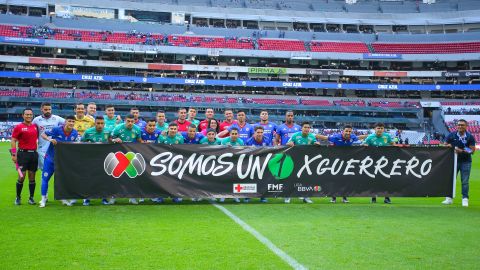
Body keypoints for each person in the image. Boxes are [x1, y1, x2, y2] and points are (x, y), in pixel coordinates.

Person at [316, 125, 368, 203]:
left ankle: (345, 197)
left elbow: (359, 137)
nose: (348, 133)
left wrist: (369, 136)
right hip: (336, 161)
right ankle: (333, 197)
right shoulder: (336, 137)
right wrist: (314, 135)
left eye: (350, 131)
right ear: (343, 131)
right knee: (335, 179)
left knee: (346, 179)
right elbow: (325, 138)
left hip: (347, 162)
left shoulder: (353, 137)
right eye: (346, 131)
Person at [39, 116, 78, 208]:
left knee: (63, 180)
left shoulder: (75, 133)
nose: (71, 123)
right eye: (69, 121)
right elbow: (43, 134)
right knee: (45, 178)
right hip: (50, 159)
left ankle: (63, 198)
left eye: (73, 121)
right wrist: (50, 139)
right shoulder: (57, 129)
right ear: (65, 122)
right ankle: (43, 199)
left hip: (62, 161)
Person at [110, 114, 144, 205]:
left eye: (132, 121)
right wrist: (115, 140)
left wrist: (145, 144)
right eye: (128, 121)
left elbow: (139, 140)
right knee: (116, 177)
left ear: (134, 121)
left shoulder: (137, 129)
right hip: (118, 155)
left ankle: (132, 197)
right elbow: (110, 138)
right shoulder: (118, 128)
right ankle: (113, 196)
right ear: (125, 120)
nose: (130, 123)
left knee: (131, 177)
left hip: (130, 155)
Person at [442, 119, 476, 207]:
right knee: (451, 180)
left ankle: (465, 199)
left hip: (466, 162)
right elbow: (444, 145)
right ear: (456, 126)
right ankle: (449, 198)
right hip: (453, 161)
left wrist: (461, 151)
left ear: (466, 126)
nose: (460, 126)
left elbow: (472, 151)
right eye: (459, 125)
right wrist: (448, 146)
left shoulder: (469, 137)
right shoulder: (451, 135)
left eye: (462, 125)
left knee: (465, 181)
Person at [11, 108, 39, 205]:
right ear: (23, 115)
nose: (29, 116)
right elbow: (13, 140)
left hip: (34, 154)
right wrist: (14, 155)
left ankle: (31, 198)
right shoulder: (19, 127)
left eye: (30, 114)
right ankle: (18, 198)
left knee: (32, 177)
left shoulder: (35, 126)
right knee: (21, 176)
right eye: (27, 114)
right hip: (22, 154)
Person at [81, 116, 111, 206]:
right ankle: (87, 198)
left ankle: (104, 198)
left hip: (103, 159)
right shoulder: (88, 132)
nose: (100, 125)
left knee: (104, 179)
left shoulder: (107, 131)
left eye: (102, 123)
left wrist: (114, 140)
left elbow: (110, 140)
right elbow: (81, 144)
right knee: (89, 179)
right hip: (90, 159)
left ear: (104, 124)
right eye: (98, 123)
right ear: (95, 123)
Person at [286, 122, 318, 204]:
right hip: (295, 161)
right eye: (305, 127)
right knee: (292, 178)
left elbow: (316, 143)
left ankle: (306, 197)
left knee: (306, 179)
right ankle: (288, 196)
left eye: (308, 127)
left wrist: (317, 144)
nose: (307, 129)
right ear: (301, 128)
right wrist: (290, 143)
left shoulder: (312, 136)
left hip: (306, 162)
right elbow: (287, 143)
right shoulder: (295, 135)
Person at [364, 123, 395, 204]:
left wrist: (395, 147)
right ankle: (373, 197)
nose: (380, 130)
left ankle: (387, 198)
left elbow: (393, 144)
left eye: (381, 128)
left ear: (383, 129)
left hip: (385, 162)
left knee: (386, 180)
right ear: (375, 129)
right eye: (378, 128)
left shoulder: (387, 136)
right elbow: (364, 146)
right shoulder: (370, 137)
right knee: (374, 180)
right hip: (373, 163)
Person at [275, 111, 301, 203]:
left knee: (297, 174)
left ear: (293, 117)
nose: (290, 117)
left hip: (296, 154)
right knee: (286, 175)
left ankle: (298, 193)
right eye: (288, 116)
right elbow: (276, 140)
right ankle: (286, 194)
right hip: (285, 154)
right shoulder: (280, 127)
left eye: (291, 116)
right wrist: (277, 151)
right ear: (285, 117)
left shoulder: (298, 127)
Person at [157, 123, 184, 203]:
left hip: (175, 162)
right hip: (163, 161)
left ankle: (175, 196)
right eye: (171, 129)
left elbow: (183, 149)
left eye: (174, 129)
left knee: (175, 179)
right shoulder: (162, 137)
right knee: (162, 179)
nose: (173, 130)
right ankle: (160, 196)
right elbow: (156, 148)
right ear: (168, 129)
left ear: (177, 130)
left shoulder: (180, 138)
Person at [32, 102, 64, 170]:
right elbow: (31, 130)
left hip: (54, 148)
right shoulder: (36, 120)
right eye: (45, 109)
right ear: (41, 109)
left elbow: (67, 124)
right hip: (42, 149)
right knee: (44, 170)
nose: (48, 111)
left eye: (49, 109)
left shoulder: (57, 118)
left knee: (57, 170)